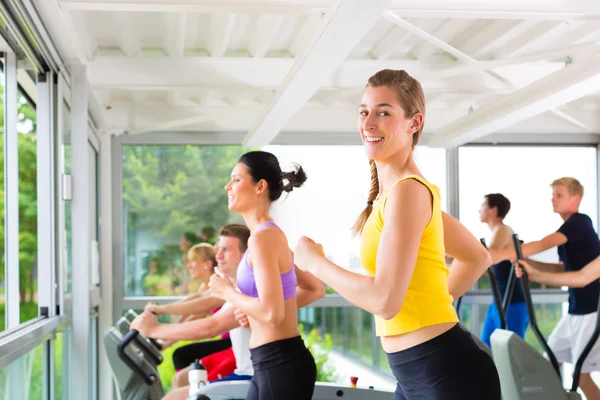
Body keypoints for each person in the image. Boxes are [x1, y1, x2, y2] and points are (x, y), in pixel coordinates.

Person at [293, 69, 501, 400]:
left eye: (383, 112)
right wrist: (430, 305)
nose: (368, 123)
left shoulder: (409, 192)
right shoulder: (398, 195)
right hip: (415, 372)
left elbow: (384, 301)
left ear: (414, 122)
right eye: (364, 112)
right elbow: (477, 257)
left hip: (445, 374)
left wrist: (315, 263)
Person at [131, 222, 324, 399]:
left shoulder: (243, 291)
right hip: (254, 371)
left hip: (255, 372)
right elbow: (203, 303)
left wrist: (155, 329)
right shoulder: (236, 289)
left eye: (226, 250)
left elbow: (212, 326)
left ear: (245, 254)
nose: (218, 256)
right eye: (218, 250)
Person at [208, 151, 317, 400]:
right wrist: (252, 311)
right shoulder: (262, 237)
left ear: (260, 186)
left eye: (236, 179)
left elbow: (272, 313)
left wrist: (228, 292)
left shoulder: (265, 239)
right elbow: (313, 289)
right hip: (268, 363)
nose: (227, 186)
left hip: (280, 363)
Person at [491, 178, 600, 400]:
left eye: (559, 195)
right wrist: (529, 265)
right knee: (549, 361)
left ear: (575, 198)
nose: (553, 199)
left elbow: (543, 244)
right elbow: (562, 269)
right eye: (553, 195)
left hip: (591, 311)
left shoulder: (579, 222)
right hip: (574, 311)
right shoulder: (571, 231)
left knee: (581, 376)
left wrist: (503, 254)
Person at [145, 242, 229, 371]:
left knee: (181, 355)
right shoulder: (205, 285)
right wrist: (165, 341)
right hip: (225, 338)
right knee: (180, 355)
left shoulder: (218, 281)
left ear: (207, 263)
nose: (189, 265)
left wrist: (162, 310)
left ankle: (188, 389)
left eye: (193, 261)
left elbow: (202, 304)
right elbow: (192, 313)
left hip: (231, 342)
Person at [478, 194, 529, 347]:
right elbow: (487, 265)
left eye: (483, 206)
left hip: (512, 304)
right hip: (498, 304)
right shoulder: (496, 234)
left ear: (493, 210)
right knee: (485, 353)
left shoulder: (503, 230)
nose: (479, 210)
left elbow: (487, 256)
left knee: (512, 355)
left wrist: (455, 255)